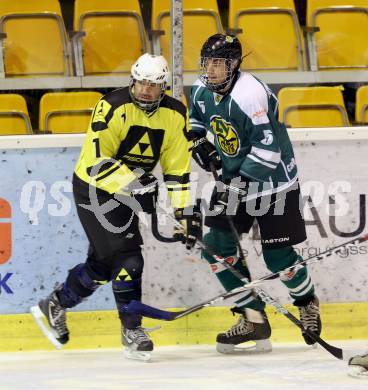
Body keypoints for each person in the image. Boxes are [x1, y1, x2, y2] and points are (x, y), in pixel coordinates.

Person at [31, 53, 201, 361]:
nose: (146, 90)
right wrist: (139, 185)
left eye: (153, 85)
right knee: (128, 258)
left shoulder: (175, 113)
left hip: (127, 193)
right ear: (132, 81)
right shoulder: (111, 106)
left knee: (103, 266)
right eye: (141, 83)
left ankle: (57, 302)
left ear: (163, 88)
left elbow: (177, 166)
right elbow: (97, 162)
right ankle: (131, 330)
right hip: (94, 189)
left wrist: (182, 211)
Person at [189, 34, 321, 353]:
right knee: (216, 249)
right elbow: (195, 121)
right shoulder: (201, 89)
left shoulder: (250, 95)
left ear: (234, 65)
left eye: (218, 64)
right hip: (236, 179)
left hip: (274, 182)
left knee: (278, 257)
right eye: (207, 63)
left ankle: (306, 303)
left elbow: (268, 153)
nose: (211, 70)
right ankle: (253, 318)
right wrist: (198, 141)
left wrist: (234, 186)